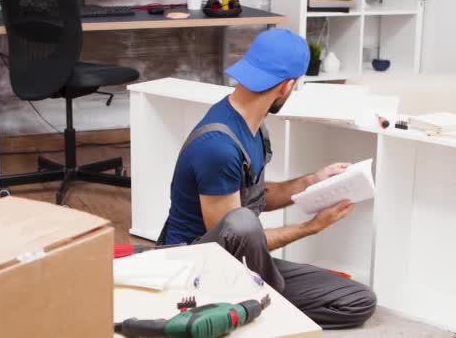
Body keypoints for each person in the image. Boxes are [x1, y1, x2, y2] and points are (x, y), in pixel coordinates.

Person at [156, 28, 377, 329]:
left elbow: (255, 198)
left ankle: (256, 309)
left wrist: (314, 180)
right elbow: (234, 237)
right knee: (244, 223)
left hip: (241, 265)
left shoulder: (255, 127)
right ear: (286, 86)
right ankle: (256, 309)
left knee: (358, 300)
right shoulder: (218, 147)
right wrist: (311, 227)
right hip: (193, 268)